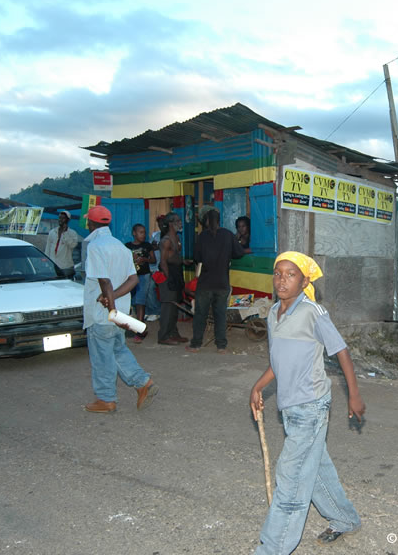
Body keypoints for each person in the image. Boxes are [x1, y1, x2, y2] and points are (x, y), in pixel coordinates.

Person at [249, 251, 365, 554]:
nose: (282, 280)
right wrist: (258, 386)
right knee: (314, 468)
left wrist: (353, 394)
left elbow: (341, 351)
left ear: (304, 280)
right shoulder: (274, 313)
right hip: (289, 407)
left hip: (312, 406)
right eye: (278, 273)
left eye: (291, 274)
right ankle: (344, 519)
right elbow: (279, 361)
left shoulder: (313, 312)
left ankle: (271, 549)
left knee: (290, 476)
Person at [82, 205, 158, 414]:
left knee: (102, 357)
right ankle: (143, 383)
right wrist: (114, 301)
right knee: (118, 351)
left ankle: (106, 399)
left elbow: (104, 281)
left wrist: (109, 303)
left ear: (91, 223)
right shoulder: (121, 247)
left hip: (103, 315)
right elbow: (133, 279)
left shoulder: (95, 246)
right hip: (119, 314)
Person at [186, 208, 245, 353]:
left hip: (205, 283)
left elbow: (197, 258)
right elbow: (239, 253)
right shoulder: (228, 234)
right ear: (219, 220)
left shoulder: (202, 236)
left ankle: (196, 344)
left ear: (206, 221)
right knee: (220, 315)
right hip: (222, 282)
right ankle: (221, 346)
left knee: (201, 314)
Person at [156, 213, 187, 345]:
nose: (180, 223)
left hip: (176, 272)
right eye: (178, 221)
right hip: (168, 274)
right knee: (168, 306)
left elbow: (173, 257)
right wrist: (169, 278)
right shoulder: (166, 240)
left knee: (174, 306)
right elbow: (163, 262)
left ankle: (173, 334)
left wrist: (183, 261)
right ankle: (163, 336)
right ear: (170, 224)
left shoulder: (176, 238)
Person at [125, 223, 156, 343]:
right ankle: (133, 326)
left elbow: (154, 260)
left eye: (144, 232)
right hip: (131, 276)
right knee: (131, 301)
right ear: (134, 233)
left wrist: (145, 259)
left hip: (144, 276)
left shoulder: (147, 246)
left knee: (140, 301)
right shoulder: (127, 246)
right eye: (140, 232)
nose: (143, 235)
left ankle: (140, 329)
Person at [45, 211, 82, 278]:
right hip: (53, 265)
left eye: (63, 218)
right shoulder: (52, 232)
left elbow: (72, 245)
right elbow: (47, 248)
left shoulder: (72, 233)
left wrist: (65, 233)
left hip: (66, 267)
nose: (60, 220)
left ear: (68, 220)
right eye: (60, 218)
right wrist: (47, 262)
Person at [144, 215, 165, 322]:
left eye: (163, 223)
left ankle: (156, 311)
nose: (161, 225)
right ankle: (149, 311)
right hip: (152, 267)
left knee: (150, 287)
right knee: (145, 287)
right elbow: (150, 248)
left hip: (162, 269)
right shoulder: (156, 235)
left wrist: (159, 247)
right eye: (159, 223)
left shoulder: (170, 236)